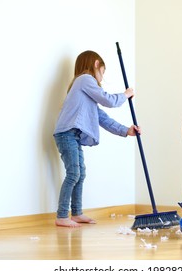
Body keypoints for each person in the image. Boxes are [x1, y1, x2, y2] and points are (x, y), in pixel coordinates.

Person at [53, 50, 140, 228]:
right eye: (103, 71)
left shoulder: (85, 90)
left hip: (73, 135)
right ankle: (62, 215)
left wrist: (125, 130)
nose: (102, 77)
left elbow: (102, 117)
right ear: (96, 65)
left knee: (80, 173)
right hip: (66, 133)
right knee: (73, 174)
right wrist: (125, 94)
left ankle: (76, 213)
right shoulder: (85, 80)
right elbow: (109, 100)